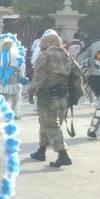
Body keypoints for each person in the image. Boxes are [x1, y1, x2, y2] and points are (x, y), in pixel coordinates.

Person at [27, 32, 83, 167]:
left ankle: (63, 155)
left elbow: (38, 77)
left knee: (51, 125)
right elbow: (78, 73)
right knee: (45, 123)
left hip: (48, 97)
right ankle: (41, 150)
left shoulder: (45, 56)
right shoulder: (67, 56)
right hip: (64, 97)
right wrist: (77, 94)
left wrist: (31, 91)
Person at [0, 34, 27, 117]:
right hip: (13, 77)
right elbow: (20, 67)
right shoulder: (16, 55)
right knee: (15, 96)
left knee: (2, 96)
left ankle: (2, 112)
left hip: (1, 77)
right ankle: (15, 112)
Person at [78, 29, 100, 139]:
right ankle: (95, 130)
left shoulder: (94, 43)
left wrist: (84, 73)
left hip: (94, 78)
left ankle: (96, 129)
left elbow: (79, 58)